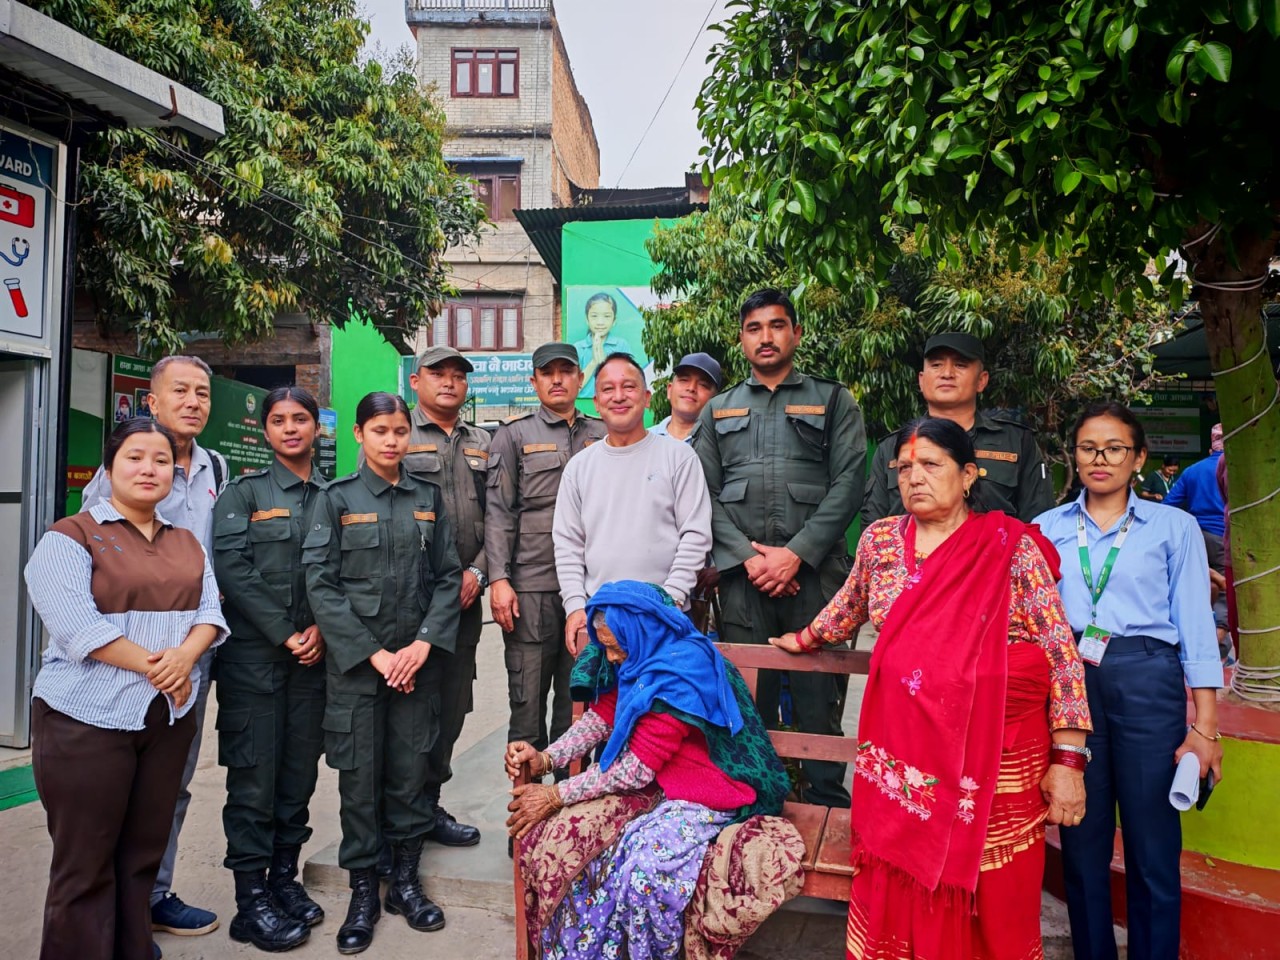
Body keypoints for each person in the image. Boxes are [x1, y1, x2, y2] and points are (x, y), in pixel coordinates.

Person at [771, 416, 1090, 959]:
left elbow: (1061, 653)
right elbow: (846, 609)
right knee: (902, 877)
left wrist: (1070, 761)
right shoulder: (879, 542)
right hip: (904, 758)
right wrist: (803, 638)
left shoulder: (1011, 547)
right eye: (904, 467)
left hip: (997, 761)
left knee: (995, 891)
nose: (914, 478)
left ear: (968, 474)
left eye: (931, 465)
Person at [25, 419, 228, 960]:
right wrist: (159, 667)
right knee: (85, 865)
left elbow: (210, 611)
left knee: (141, 857)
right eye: (135, 458)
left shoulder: (186, 541)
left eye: (162, 461)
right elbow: (77, 628)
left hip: (164, 720)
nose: (149, 469)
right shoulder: (69, 536)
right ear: (109, 468)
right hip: (86, 720)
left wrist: (186, 656)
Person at [505, 580, 792, 960]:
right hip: (660, 782)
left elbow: (636, 769)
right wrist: (547, 758)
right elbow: (604, 716)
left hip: (709, 787)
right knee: (573, 849)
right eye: (604, 645)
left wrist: (556, 793)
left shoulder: (682, 672)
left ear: (639, 631)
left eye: (612, 646)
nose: (608, 658)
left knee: (644, 869)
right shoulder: (637, 655)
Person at [1035, 401, 1224, 960]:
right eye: (1089, 447)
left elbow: (1194, 625)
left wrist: (1205, 727)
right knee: (1082, 839)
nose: (1101, 458)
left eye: (1115, 448)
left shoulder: (1175, 527)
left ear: (1138, 457)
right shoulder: (1045, 529)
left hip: (1148, 679)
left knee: (1152, 841)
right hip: (1070, 684)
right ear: (1074, 456)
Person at [304, 392, 463, 954]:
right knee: (360, 784)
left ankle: (407, 883)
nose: (392, 440)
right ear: (358, 435)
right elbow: (320, 584)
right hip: (359, 671)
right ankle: (364, 893)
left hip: (415, 667)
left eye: (399, 430)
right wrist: (374, 655)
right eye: (380, 431)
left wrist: (422, 645)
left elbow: (449, 576)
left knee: (408, 774)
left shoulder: (428, 497)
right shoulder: (336, 500)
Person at [694, 287, 865, 807]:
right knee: (750, 698)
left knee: (819, 696)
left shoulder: (834, 399)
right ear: (741, 339)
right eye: (753, 328)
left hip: (814, 576)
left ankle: (828, 803)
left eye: (775, 325)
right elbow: (700, 491)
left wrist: (796, 553)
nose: (765, 337)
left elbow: (850, 481)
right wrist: (749, 557)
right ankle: (755, 804)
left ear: (795, 333)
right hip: (744, 581)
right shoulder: (718, 410)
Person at [81, 354, 228, 937]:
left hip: (195, 653)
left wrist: (194, 652)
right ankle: (112, 910)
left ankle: (153, 894)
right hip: (128, 656)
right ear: (153, 403)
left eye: (202, 393)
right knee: (115, 784)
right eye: (180, 392)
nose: (193, 402)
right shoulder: (124, 466)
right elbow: (95, 558)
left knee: (172, 780)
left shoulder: (214, 466)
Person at [213, 386, 328, 952]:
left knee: (298, 776)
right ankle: (249, 901)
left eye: (300, 419)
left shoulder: (333, 496)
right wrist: (287, 633)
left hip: (315, 660)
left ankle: (284, 881)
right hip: (255, 663)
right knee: (254, 781)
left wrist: (324, 630)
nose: (290, 428)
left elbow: (345, 572)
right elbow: (233, 572)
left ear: (316, 427)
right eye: (278, 420)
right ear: (265, 432)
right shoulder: (244, 494)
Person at [486, 342, 606, 759]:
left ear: (579, 379)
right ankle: (526, 814)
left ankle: (564, 811)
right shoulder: (513, 435)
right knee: (527, 704)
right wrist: (499, 580)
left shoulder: (603, 434)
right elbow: (499, 512)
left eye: (566, 371)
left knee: (578, 705)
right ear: (534, 381)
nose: (557, 379)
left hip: (590, 590)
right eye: (547, 372)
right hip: (532, 587)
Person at [554, 353, 713, 655]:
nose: (619, 396)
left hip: (667, 617)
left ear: (647, 397)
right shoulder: (579, 468)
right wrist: (575, 605)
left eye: (628, 387)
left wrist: (671, 600)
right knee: (602, 703)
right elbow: (568, 544)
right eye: (608, 389)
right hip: (600, 619)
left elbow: (695, 535)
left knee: (665, 702)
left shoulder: (678, 457)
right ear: (597, 402)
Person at [400, 346, 492, 848]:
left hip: (466, 598)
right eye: (439, 374)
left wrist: (478, 571)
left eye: (459, 376)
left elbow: (498, 517)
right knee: (412, 709)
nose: (450, 383)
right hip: (410, 602)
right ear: (416, 381)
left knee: (453, 706)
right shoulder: (398, 433)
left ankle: (430, 805)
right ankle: (402, 814)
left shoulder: (483, 440)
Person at [862, 332, 1055, 527]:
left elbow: (1040, 523)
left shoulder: (1016, 442)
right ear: (921, 380)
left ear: (981, 380)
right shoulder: (893, 447)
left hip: (995, 556)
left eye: (960, 365)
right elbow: (874, 526)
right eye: (936, 365)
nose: (947, 373)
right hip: (911, 555)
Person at [1164, 424, 1227, 573]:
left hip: (1195, 537)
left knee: (1197, 584)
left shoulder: (1192, 470)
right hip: (1223, 537)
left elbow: (1166, 506)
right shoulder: (1235, 468)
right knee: (1224, 589)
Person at [650, 352, 723, 443]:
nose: (691, 388)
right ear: (669, 390)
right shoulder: (644, 440)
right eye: (684, 380)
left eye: (703, 385)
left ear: (716, 400)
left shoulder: (722, 446)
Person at [574, 292, 632, 397]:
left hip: (614, 403)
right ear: (587, 319)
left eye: (606, 316)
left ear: (614, 320)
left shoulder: (621, 345)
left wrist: (605, 364)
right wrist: (594, 362)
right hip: (583, 406)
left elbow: (629, 381)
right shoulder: (578, 348)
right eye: (594, 316)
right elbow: (573, 389)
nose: (600, 322)